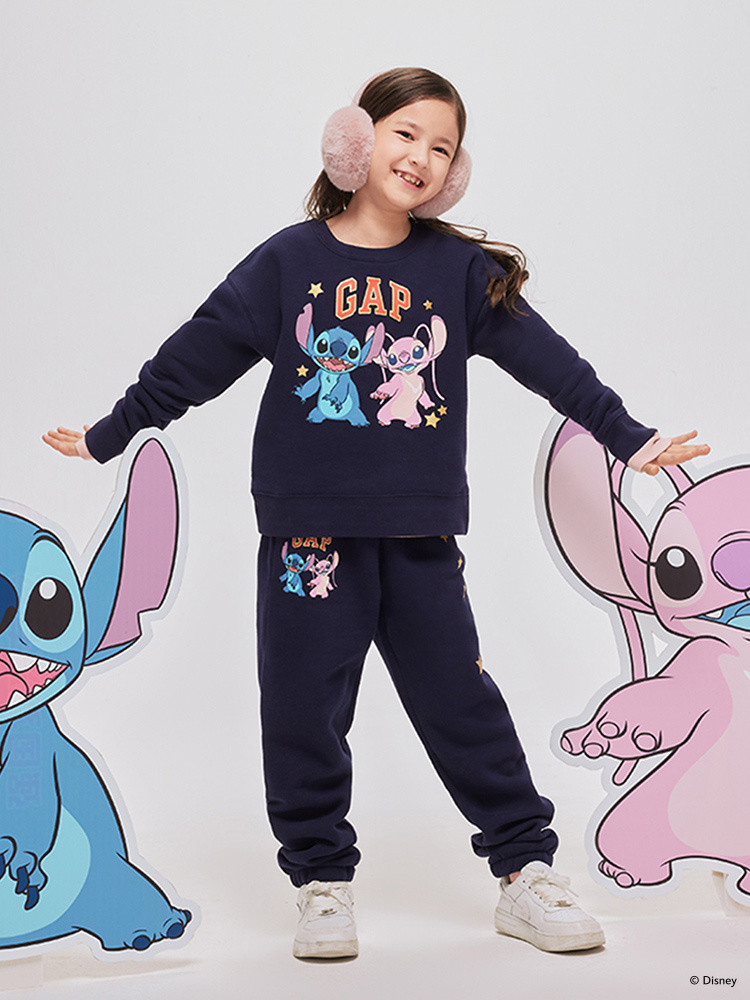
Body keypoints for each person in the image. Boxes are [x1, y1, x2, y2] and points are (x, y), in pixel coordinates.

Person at [44, 67, 709, 959]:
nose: (421, 158)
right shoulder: (287, 262)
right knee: (303, 708)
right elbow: (197, 354)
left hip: (419, 533)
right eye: (406, 134)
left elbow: (554, 365)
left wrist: (628, 437)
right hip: (307, 535)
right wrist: (113, 432)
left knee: (461, 702)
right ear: (356, 140)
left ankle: (524, 870)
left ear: (454, 171)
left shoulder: (459, 273)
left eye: (442, 148)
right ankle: (321, 882)